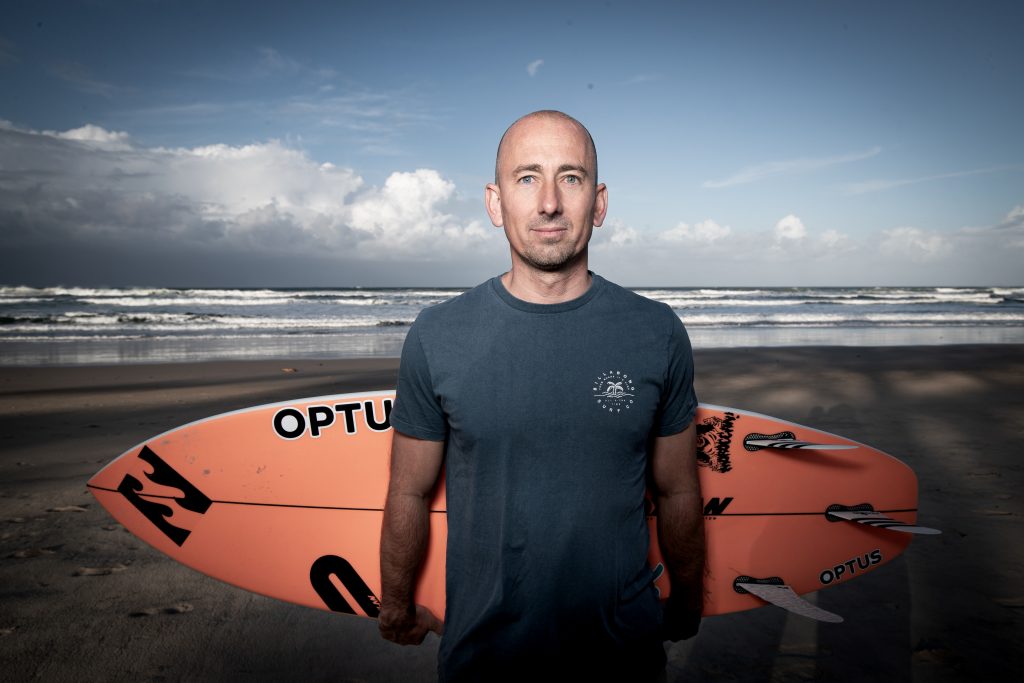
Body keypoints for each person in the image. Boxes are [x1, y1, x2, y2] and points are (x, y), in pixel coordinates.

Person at [378, 110, 705, 681]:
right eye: (526, 177)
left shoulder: (657, 332)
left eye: (570, 178)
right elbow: (408, 490)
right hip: (483, 658)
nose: (549, 202)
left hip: (623, 657)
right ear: (494, 202)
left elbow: (678, 488)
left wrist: (687, 597)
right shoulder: (437, 335)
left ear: (598, 204)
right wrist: (397, 601)